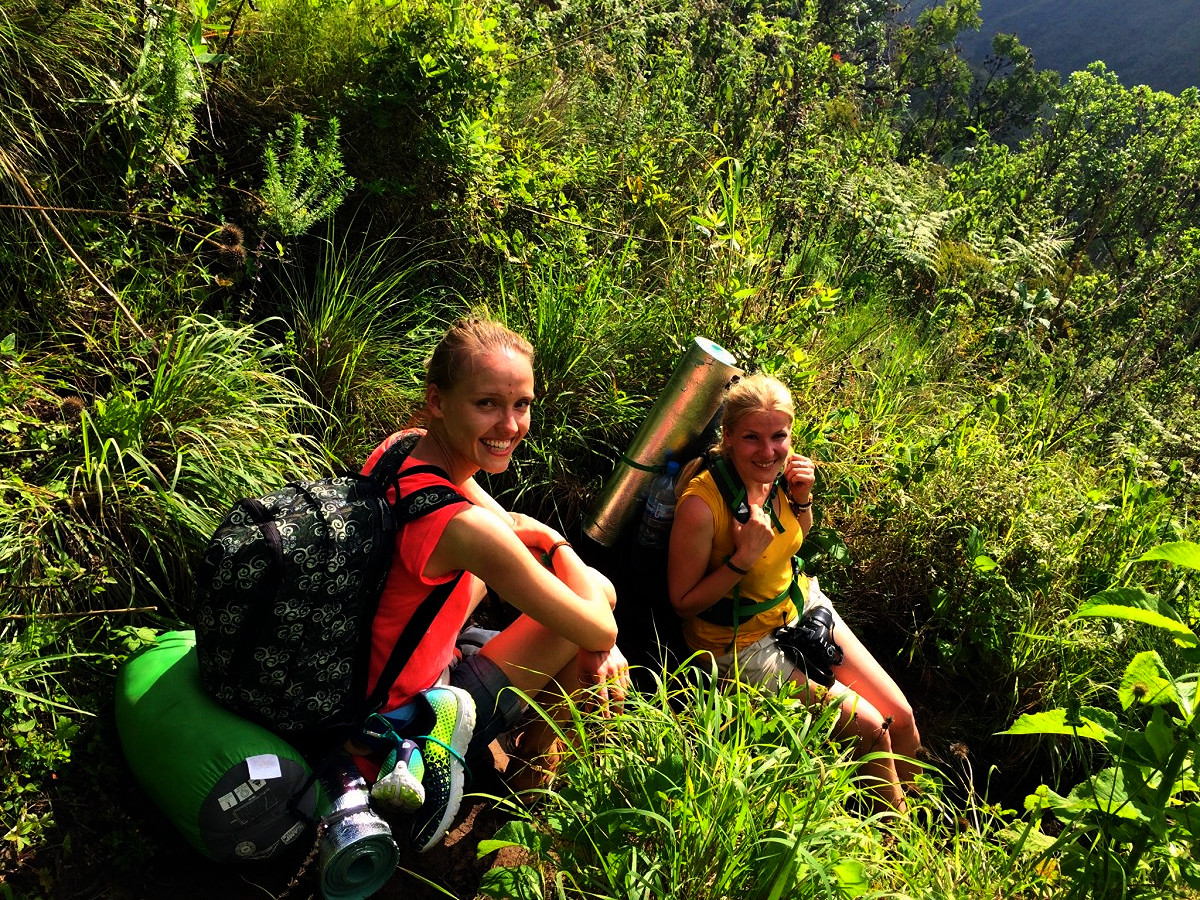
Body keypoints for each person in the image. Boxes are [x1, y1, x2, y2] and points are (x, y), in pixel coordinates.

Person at [355, 315, 630, 852]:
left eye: (521, 404)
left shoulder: (405, 448)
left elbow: (517, 532)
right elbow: (595, 620)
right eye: (487, 404)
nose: (511, 424)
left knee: (585, 600)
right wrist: (602, 637)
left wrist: (545, 541)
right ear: (437, 401)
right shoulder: (461, 527)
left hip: (365, 685)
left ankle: (519, 767)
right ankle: (528, 784)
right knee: (592, 612)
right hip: (401, 722)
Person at [666, 374, 921, 812]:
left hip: (798, 607)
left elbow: (793, 536)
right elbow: (683, 602)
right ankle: (900, 847)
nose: (768, 451)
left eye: (778, 436)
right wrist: (740, 560)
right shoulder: (702, 505)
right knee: (872, 729)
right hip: (737, 641)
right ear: (727, 438)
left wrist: (802, 501)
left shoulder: (781, 477)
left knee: (902, 719)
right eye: (752, 438)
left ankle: (916, 813)